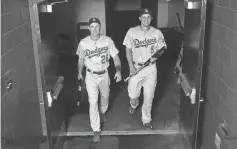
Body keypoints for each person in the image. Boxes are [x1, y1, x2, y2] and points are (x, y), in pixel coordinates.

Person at [77, 17, 122, 142]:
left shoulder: (107, 41)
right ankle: (96, 130)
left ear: (100, 27)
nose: (95, 29)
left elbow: (116, 58)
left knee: (105, 98)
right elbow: (81, 59)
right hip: (91, 75)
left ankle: (102, 112)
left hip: (104, 74)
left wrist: (118, 70)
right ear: (88, 28)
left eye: (97, 26)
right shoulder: (83, 43)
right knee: (93, 102)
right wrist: (79, 72)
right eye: (92, 27)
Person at [123, 8, 166, 129]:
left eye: (148, 17)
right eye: (143, 17)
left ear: (151, 19)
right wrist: (131, 67)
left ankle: (146, 119)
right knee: (132, 94)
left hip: (151, 69)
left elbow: (162, 48)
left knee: (149, 96)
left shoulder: (157, 33)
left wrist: (155, 58)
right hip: (136, 67)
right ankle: (133, 103)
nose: (146, 19)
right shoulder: (132, 31)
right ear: (139, 18)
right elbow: (128, 50)